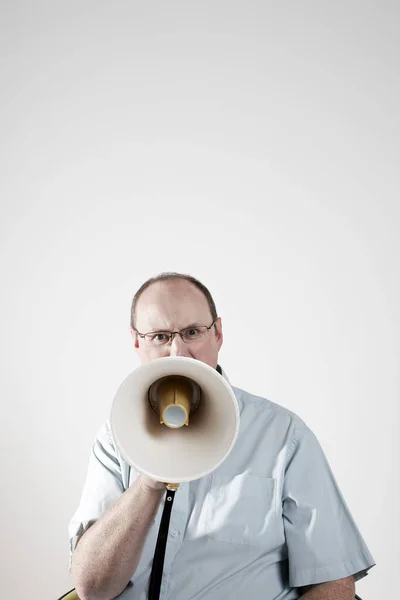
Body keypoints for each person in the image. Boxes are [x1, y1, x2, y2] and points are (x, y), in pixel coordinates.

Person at [69, 272, 375, 600]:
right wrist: (149, 480)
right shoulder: (116, 439)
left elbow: (334, 584)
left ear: (218, 334)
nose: (178, 353)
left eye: (192, 332)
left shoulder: (283, 436)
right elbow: (91, 588)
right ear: (136, 342)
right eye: (159, 336)